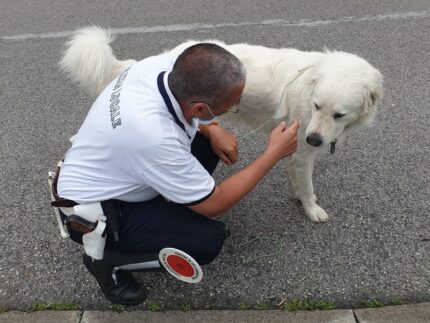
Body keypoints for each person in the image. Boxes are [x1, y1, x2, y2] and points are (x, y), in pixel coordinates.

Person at [55, 43, 300, 305]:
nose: (235, 105)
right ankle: (108, 263)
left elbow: (190, 119)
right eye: (233, 104)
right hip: (95, 213)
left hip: (113, 170)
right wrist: (273, 153)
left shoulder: (159, 67)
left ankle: (168, 211)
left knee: (205, 144)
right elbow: (214, 203)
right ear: (198, 109)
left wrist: (212, 127)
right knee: (206, 241)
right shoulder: (153, 137)